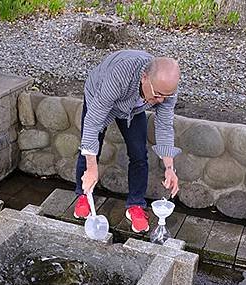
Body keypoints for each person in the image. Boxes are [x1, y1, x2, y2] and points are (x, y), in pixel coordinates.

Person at [73, 49, 181, 233]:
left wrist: (169, 168)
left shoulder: (166, 90)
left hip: (133, 108)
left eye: (166, 96)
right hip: (99, 95)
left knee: (139, 152)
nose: (160, 100)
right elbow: (93, 124)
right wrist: (92, 168)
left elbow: (164, 125)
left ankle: (135, 205)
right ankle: (84, 194)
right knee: (91, 147)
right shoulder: (119, 75)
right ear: (144, 77)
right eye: (157, 95)